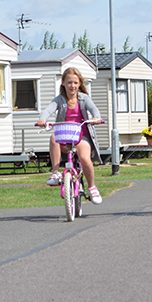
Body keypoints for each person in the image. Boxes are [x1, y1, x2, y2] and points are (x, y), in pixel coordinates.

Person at [37, 67, 103, 204]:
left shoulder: (84, 99)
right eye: (69, 82)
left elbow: (94, 110)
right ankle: (56, 172)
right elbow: (47, 110)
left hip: (81, 136)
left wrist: (96, 117)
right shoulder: (59, 100)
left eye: (75, 83)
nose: (72, 86)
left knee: (85, 158)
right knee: (53, 137)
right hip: (64, 136)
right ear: (63, 83)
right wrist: (42, 120)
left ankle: (92, 187)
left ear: (79, 84)